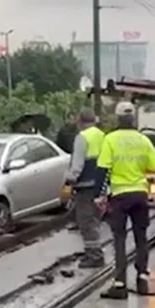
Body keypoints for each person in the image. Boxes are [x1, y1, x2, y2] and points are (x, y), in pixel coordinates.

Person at [94, 101, 155, 299]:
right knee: (141, 237)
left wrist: (99, 196)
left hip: (120, 196)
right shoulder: (143, 140)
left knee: (120, 239)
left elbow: (103, 170)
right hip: (140, 194)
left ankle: (120, 284)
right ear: (133, 118)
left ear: (117, 117)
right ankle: (142, 279)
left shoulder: (110, 139)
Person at [64, 109, 105, 268]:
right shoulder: (102, 136)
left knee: (85, 222)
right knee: (94, 220)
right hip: (99, 185)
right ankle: (93, 253)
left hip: (85, 185)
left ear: (80, 122)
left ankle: (95, 256)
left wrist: (69, 181)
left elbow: (77, 165)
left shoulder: (82, 137)